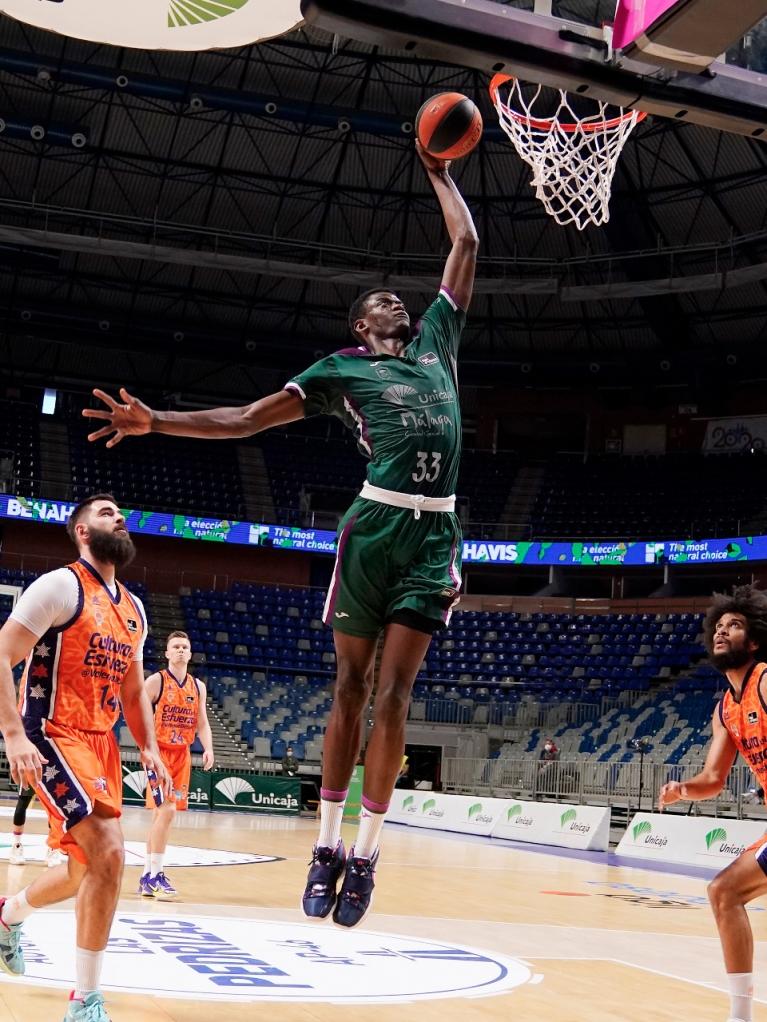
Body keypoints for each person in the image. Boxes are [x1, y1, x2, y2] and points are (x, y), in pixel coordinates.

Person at [83, 140, 478, 929]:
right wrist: (156, 420)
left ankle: (366, 858)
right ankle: (324, 847)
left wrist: (438, 173)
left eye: (396, 298)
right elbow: (243, 419)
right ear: (358, 327)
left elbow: (464, 243)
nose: (393, 301)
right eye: (377, 302)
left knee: (397, 696)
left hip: (433, 537)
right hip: (371, 528)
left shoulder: (438, 345)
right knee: (351, 690)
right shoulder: (338, 372)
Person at [0, 493, 170, 1022]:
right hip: (51, 731)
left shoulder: (135, 609)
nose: (118, 517)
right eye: (104, 512)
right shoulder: (59, 585)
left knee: (83, 870)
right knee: (112, 854)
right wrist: (12, 734)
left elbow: (133, 690)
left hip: (99, 743)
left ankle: (7, 918)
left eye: (120, 513)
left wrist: (147, 747)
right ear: (80, 532)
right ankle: (86, 1000)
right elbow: (3, 652)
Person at [658, 584, 767, 1022]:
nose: (722, 632)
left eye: (735, 626)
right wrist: (681, 789)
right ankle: (739, 1016)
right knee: (724, 892)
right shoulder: (726, 708)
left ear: (754, 640)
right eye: (718, 626)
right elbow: (713, 780)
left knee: (725, 891)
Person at [138, 630, 213, 900]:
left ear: (190, 653)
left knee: (164, 816)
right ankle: (155, 875)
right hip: (158, 754)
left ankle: (147, 875)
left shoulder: (198, 686)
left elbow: (202, 722)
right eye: (176, 647)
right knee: (166, 812)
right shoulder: (156, 681)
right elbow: (138, 716)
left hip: (182, 755)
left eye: (185, 646)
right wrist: (148, 750)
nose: (181, 650)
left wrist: (209, 748)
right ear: (167, 653)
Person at [9, 784, 66, 868]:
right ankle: (16, 845)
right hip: (30, 774)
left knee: (54, 808)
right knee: (22, 804)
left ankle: (53, 847)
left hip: (51, 773)